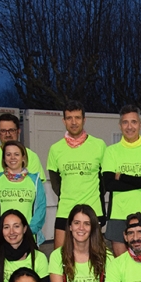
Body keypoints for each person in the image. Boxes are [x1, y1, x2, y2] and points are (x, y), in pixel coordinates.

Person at [103, 105, 141, 257]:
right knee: (122, 268)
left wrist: (121, 177)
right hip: (118, 216)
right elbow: (109, 184)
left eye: (134, 122)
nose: (130, 127)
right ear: (120, 125)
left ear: (140, 125)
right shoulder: (111, 151)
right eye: (125, 122)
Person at [47, 100, 106, 249]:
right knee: (59, 257)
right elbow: (56, 184)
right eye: (69, 118)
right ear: (64, 120)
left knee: (95, 257)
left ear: (84, 120)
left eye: (77, 118)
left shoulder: (99, 145)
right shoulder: (55, 149)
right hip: (65, 211)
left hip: (93, 210)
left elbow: (104, 181)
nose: (74, 122)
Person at [0, 140, 46, 245]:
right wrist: (3, 231)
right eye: (8, 154)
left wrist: (28, 231)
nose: (12, 158)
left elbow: (41, 208)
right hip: (1, 237)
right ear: (4, 158)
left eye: (16, 154)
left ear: (23, 157)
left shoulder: (35, 180)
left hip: (29, 236)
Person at [0, 113, 45, 196]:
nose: (8, 134)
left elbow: (37, 189)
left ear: (18, 131)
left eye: (11, 130)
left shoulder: (31, 156)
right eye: (3, 131)